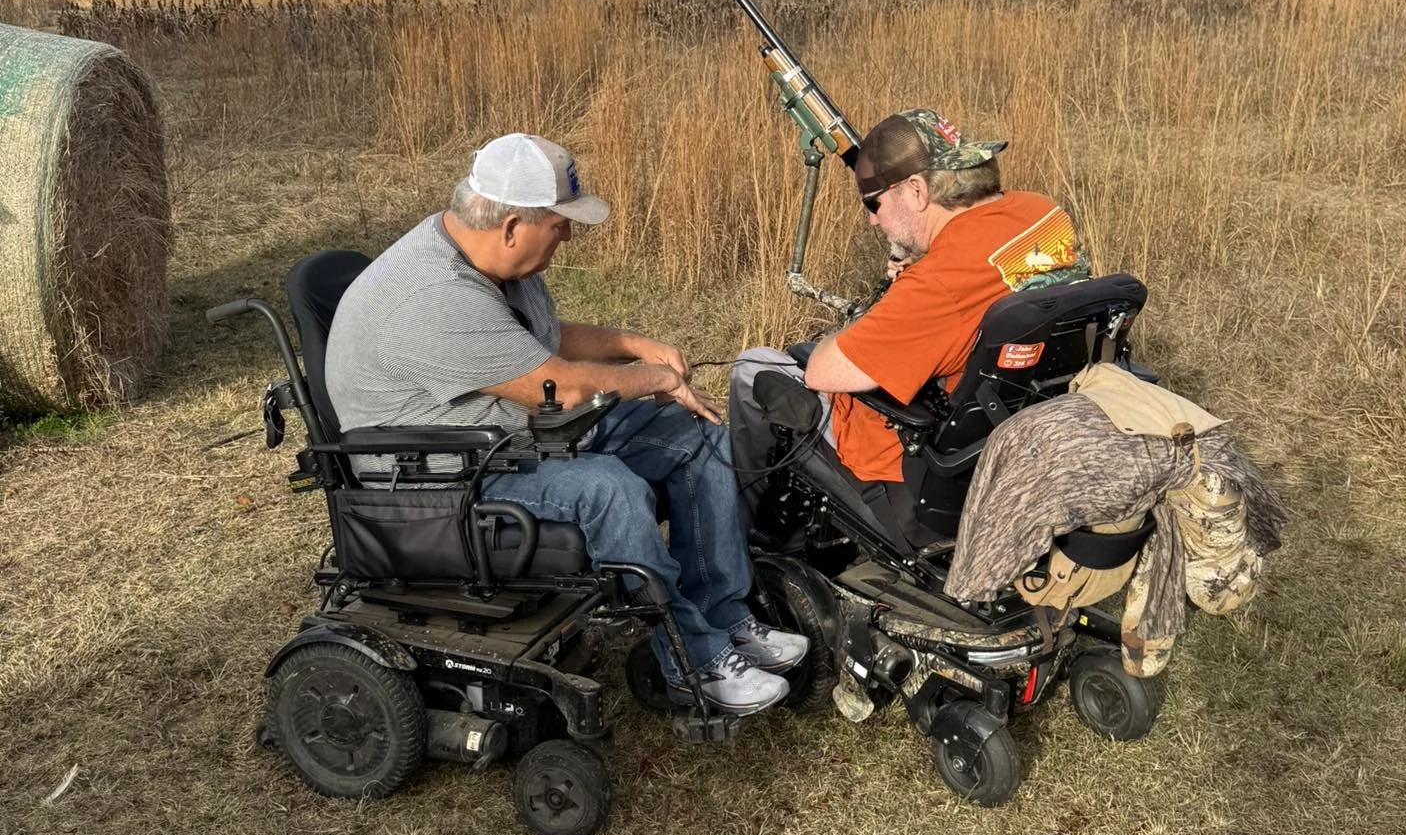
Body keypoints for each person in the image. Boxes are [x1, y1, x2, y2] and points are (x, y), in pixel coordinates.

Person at [326, 132, 806, 714]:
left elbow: (539, 341)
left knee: (695, 436)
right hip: (440, 476)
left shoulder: (489, 258)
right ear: (511, 226)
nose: (569, 236)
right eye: (559, 224)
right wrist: (655, 378)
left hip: (511, 436)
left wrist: (633, 345)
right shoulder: (432, 295)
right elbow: (559, 384)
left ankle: (726, 614)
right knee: (608, 489)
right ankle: (691, 659)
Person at [729, 108, 1088, 547]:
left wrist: (880, 310)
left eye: (873, 203)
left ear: (916, 190)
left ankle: (746, 536)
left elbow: (824, 371)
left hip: (913, 478)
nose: (872, 220)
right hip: (1015, 444)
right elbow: (982, 276)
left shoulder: (935, 285)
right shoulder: (1042, 213)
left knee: (754, 367)